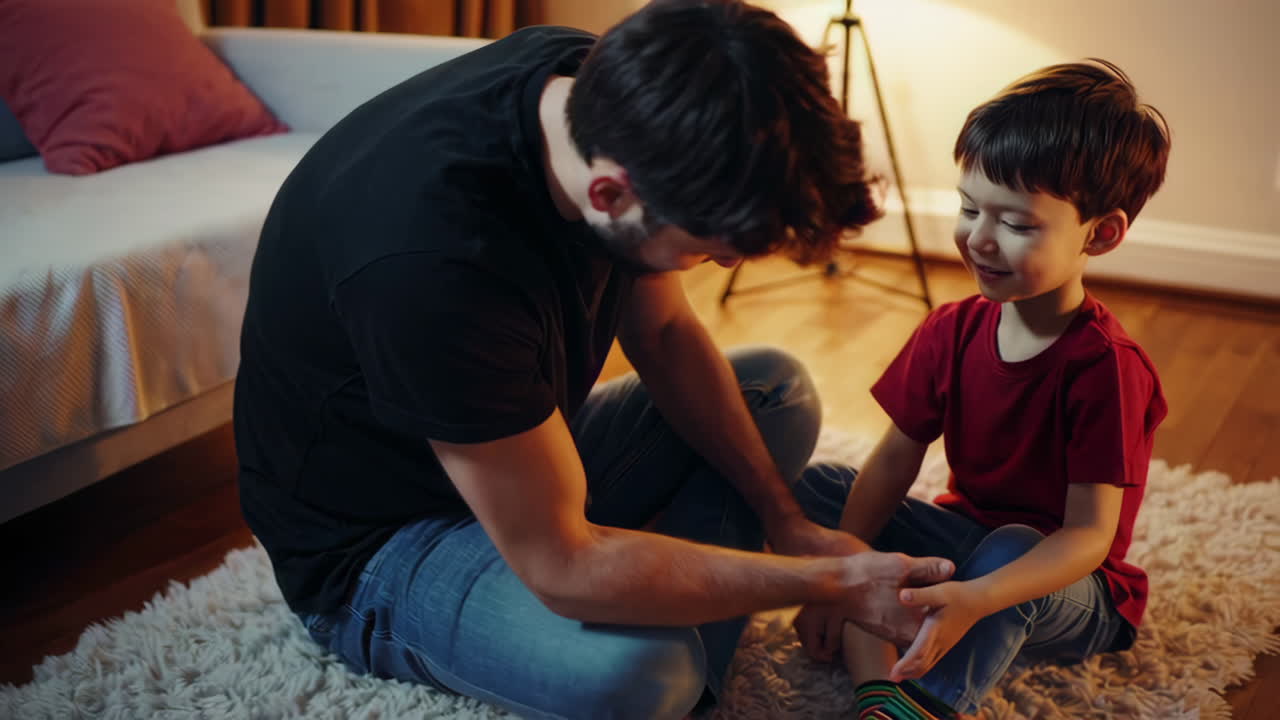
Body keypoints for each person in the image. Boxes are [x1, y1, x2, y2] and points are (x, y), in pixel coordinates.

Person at [233, 1, 955, 718]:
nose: (721, 262)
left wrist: (787, 520)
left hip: (510, 456)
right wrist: (823, 581)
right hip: (378, 545)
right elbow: (564, 565)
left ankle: (663, 594)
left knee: (775, 389)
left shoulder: (596, 87)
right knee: (648, 680)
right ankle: (680, 655)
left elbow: (664, 332)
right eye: (706, 248)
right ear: (610, 193)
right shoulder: (433, 263)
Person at [789, 59, 1171, 719]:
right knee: (819, 486)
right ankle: (877, 686)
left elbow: (1086, 537)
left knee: (1012, 549)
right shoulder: (953, 327)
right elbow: (891, 460)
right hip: (966, 539)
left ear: (1100, 234)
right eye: (969, 209)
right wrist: (836, 575)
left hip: (1069, 585)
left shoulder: (1106, 367)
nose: (980, 240)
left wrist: (983, 596)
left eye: (1018, 224)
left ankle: (929, 703)